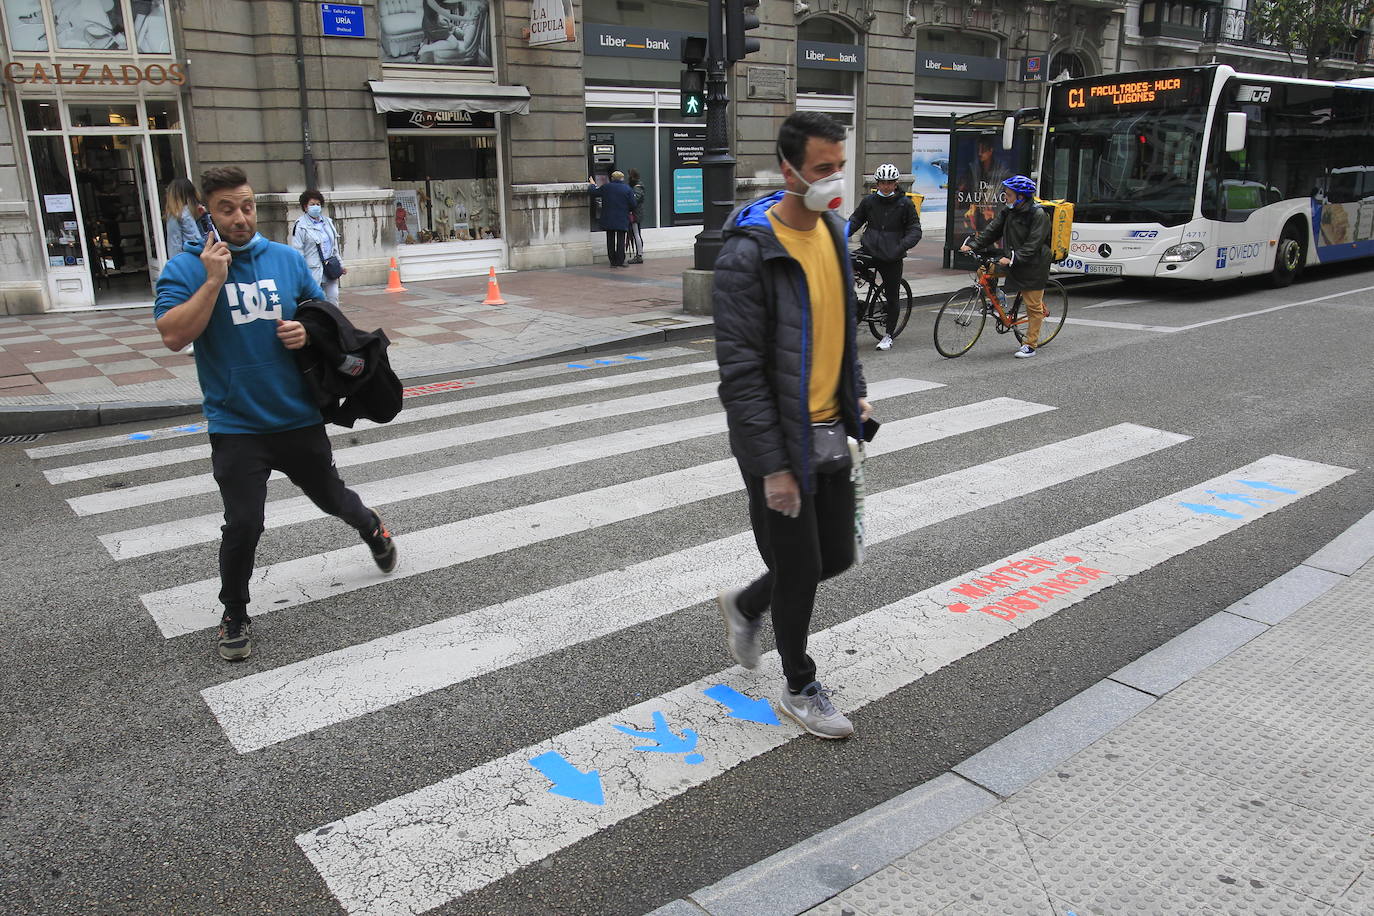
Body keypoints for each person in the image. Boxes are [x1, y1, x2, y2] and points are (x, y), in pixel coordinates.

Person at [154, 166, 398, 662]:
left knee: (331, 497)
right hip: (236, 424)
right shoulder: (184, 269)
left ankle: (370, 524)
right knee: (243, 523)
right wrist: (213, 280)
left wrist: (308, 334)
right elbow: (173, 335)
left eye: (247, 207)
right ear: (208, 212)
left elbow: (322, 315)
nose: (241, 217)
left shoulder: (285, 259)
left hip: (296, 416)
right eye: (228, 209)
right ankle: (235, 612)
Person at [712, 111, 873, 740]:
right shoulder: (748, 254)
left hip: (830, 426)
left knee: (835, 555)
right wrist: (774, 465)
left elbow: (841, 328)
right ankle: (800, 684)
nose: (834, 181)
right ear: (787, 171)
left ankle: (748, 603)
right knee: (800, 565)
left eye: (839, 166)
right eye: (821, 170)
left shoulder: (833, 229)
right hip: (778, 441)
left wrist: (853, 394)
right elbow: (742, 373)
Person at [961, 174, 1051, 359]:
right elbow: (992, 230)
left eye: (1009, 195)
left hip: (1033, 264)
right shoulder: (1008, 211)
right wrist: (973, 245)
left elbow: (1034, 244)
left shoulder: (1038, 214)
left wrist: (1015, 257)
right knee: (983, 271)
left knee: (1033, 307)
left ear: (1021, 196)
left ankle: (1030, 345)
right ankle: (998, 301)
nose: (1005, 197)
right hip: (1011, 260)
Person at [847, 163, 922, 351]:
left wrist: (901, 246)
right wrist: (839, 235)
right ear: (877, 183)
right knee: (843, 267)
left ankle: (888, 336)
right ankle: (856, 306)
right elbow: (855, 221)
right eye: (882, 183)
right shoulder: (869, 201)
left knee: (892, 295)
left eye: (890, 183)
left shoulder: (905, 204)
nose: (886, 186)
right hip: (869, 250)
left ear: (896, 183)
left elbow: (915, 229)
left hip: (892, 255)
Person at [290, 190, 346, 305]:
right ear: (305, 207)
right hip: (312, 270)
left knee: (333, 298)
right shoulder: (300, 225)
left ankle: (332, 321)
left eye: (318, 204)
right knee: (316, 301)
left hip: (329, 268)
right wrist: (302, 272)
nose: (315, 207)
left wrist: (341, 264)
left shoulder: (328, 222)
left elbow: (333, 247)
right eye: (312, 204)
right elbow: (298, 251)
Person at [587, 170, 637, 268]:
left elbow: (593, 192)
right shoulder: (627, 189)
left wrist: (593, 184)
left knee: (610, 239)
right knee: (621, 239)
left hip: (608, 218)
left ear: (612, 178)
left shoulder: (606, 187)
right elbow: (633, 204)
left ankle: (612, 261)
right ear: (622, 179)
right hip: (622, 218)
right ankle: (620, 261)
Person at [162, 177, 203, 260]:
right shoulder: (200, 210)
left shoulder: (175, 214)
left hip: (189, 260)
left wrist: (175, 267)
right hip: (206, 256)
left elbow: (174, 245)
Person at [627, 168, 647, 264]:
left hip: (635, 213)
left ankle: (639, 255)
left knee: (636, 234)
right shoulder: (637, 186)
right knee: (636, 233)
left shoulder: (637, 187)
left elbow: (635, 200)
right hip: (637, 212)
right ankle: (639, 254)